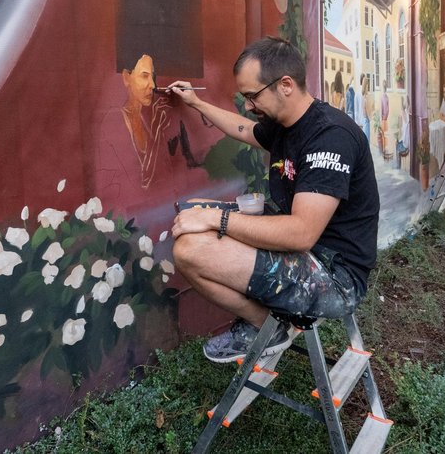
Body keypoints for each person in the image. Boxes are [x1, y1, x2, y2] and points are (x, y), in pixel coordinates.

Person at [168, 37, 379, 363]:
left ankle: (264, 324)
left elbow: (301, 233)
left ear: (285, 85)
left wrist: (216, 219)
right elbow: (244, 129)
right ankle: (268, 319)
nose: (249, 106)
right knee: (191, 211)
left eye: (252, 96)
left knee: (189, 250)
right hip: (306, 249)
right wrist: (196, 103)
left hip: (336, 276)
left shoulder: (330, 137)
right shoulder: (285, 124)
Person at [122, 54, 171, 189]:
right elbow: (139, 181)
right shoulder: (113, 123)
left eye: (152, 77)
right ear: (126, 78)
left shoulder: (146, 119)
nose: (153, 85)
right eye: (144, 76)